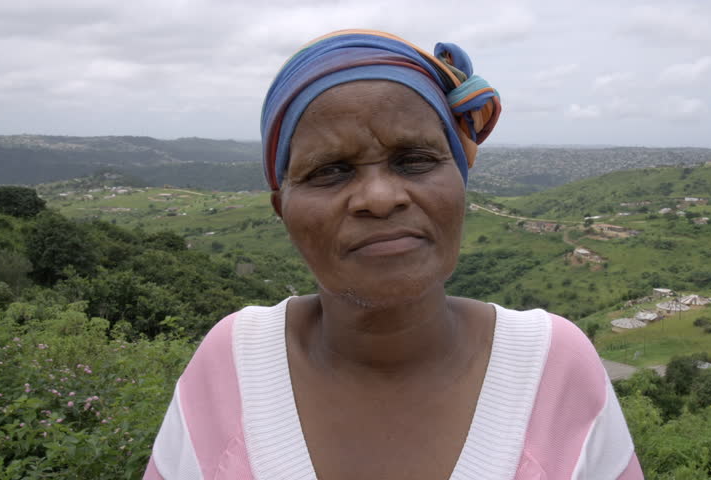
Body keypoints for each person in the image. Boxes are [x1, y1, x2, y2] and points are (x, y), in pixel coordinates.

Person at [144, 29, 643, 480]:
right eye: (330, 170)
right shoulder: (234, 359)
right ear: (282, 208)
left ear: (460, 181)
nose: (380, 198)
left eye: (415, 160)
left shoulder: (552, 365)